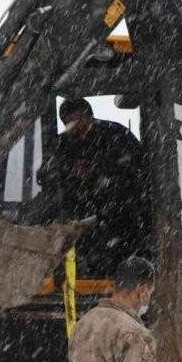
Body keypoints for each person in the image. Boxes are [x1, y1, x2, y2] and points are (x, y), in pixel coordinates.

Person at [36, 97, 153, 275]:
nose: (75, 125)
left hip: (121, 218)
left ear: (88, 115)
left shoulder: (115, 135)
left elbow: (132, 180)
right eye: (69, 121)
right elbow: (48, 177)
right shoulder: (62, 144)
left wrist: (97, 217)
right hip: (83, 216)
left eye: (78, 118)